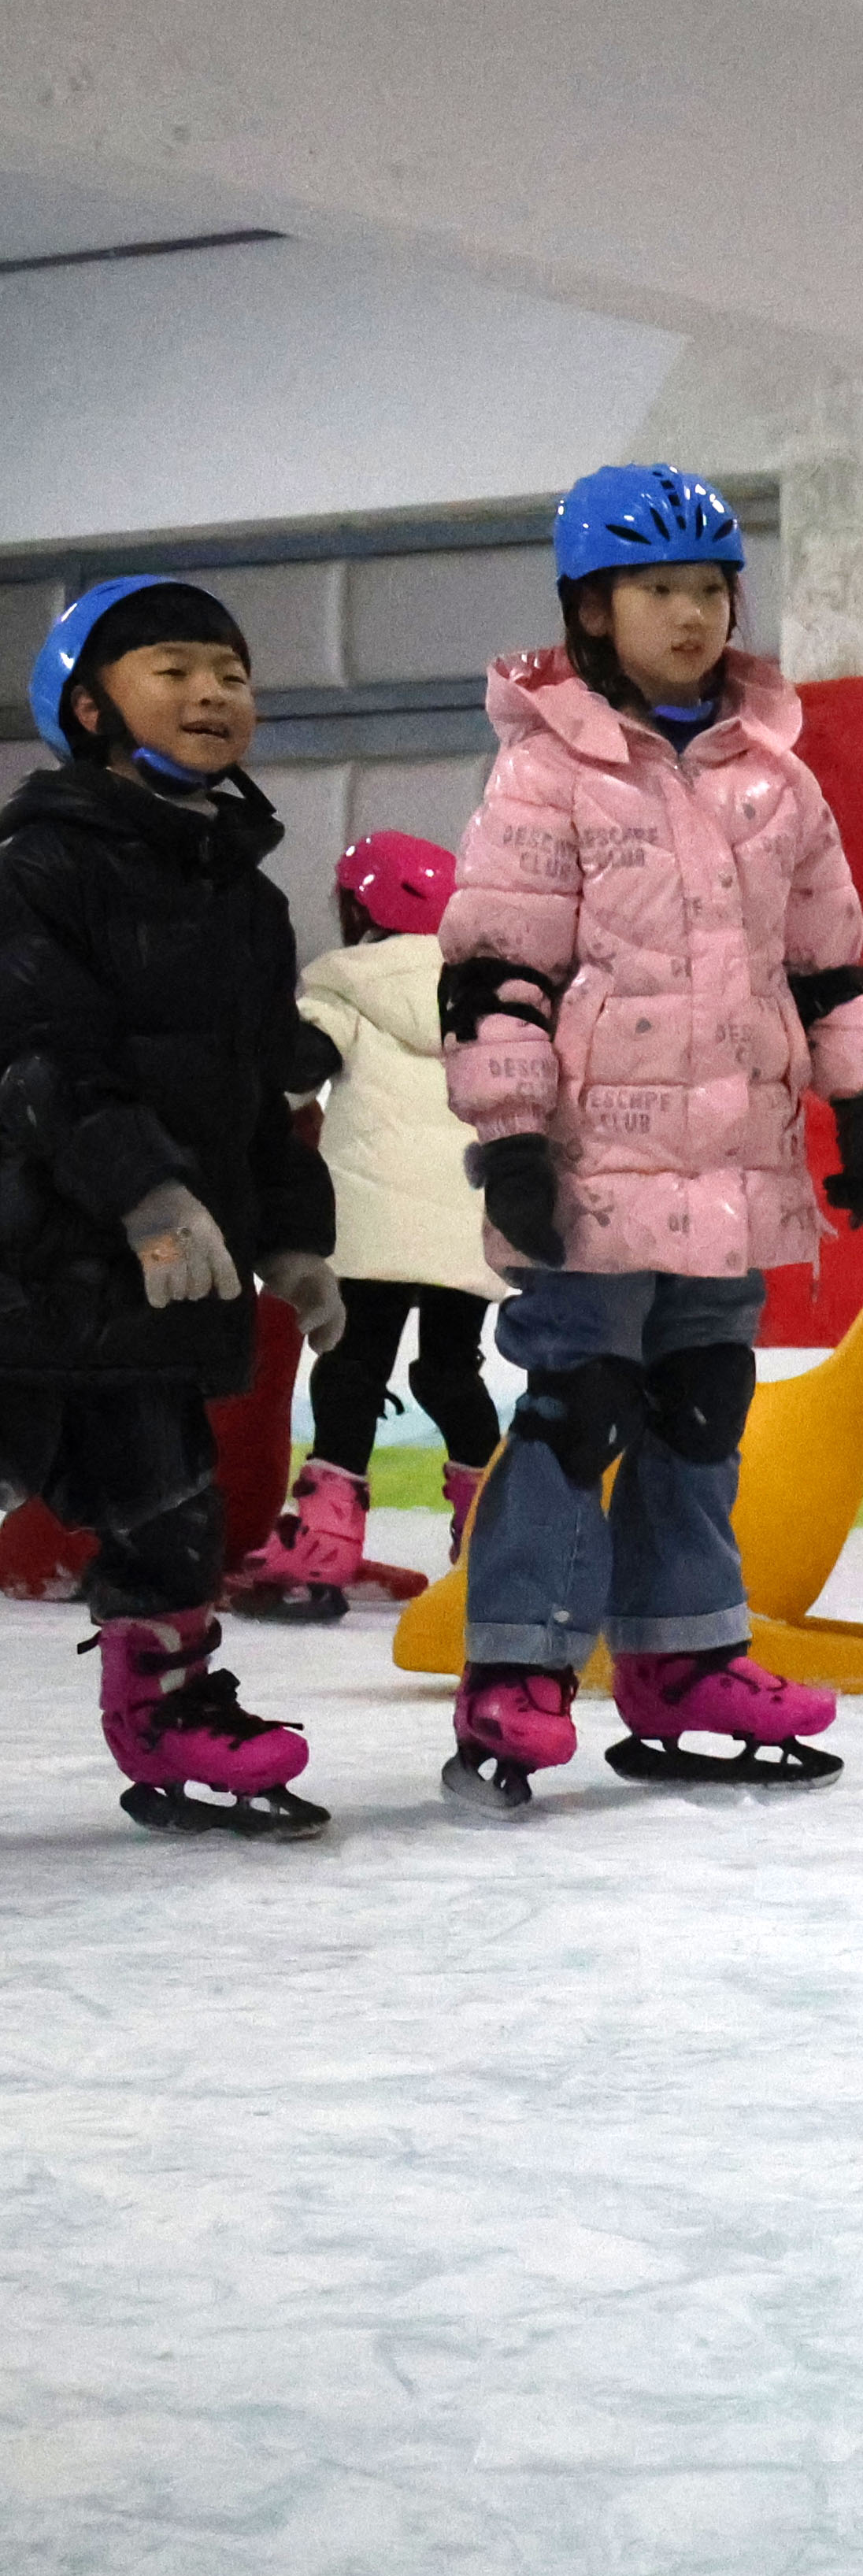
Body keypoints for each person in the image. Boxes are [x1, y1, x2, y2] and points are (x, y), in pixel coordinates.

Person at [436, 464, 863, 1816]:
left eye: (710, 588)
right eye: (657, 589)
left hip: (736, 1163)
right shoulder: (545, 773)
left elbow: (827, 960)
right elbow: (497, 968)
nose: (693, 613)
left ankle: (685, 1657)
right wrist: (512, 1137)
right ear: (592, 609)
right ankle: (516, 1664)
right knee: (578, 1403)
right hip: (593, 1162)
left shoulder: (778, 780)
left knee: (701, 1407)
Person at [0, 579, 346, 1834]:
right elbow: (38, 1057)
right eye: (177, 669)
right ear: (91, 708)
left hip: (156, 1285)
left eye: (233, 675)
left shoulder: (245, 900)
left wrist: (293, 1239)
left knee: (172, 1510)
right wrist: (144, 1191)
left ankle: (171, 1716)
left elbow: (261, 1095)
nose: (213, 694)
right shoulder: (35, 867)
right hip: (28, 1256)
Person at [225, 832, 504, 1614]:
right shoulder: (488, 996)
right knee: (450, 1373)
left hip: (371, 1224)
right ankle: (498, 1539)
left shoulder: (343, 986)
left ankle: (322, 1550)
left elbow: (293, 1075)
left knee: (353, 1369)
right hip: (470, 1219)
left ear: (358, 907)